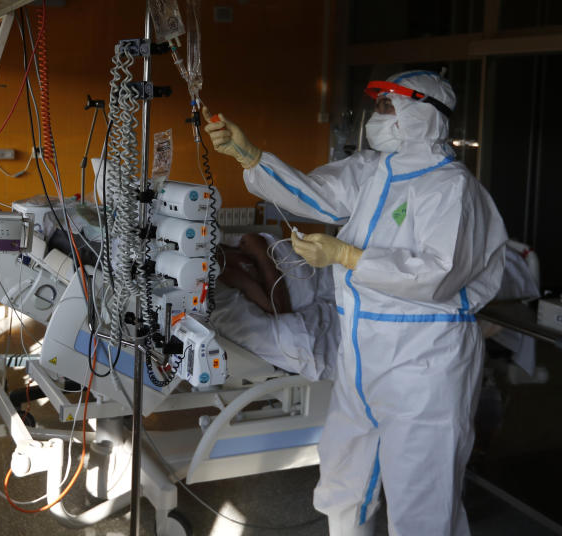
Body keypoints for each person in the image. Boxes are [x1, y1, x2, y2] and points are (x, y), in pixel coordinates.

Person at [202, 71, 507, 536]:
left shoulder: (451, 189)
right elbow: (315, 194)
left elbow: (438, 274)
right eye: (379, 104)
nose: (377, 115)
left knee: (422, 500)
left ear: (421, 114)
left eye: (388, 106)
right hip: (361, 356)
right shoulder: (372, 169)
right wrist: (251, 156)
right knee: (343, 480)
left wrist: (347, 255)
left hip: (423, 363)